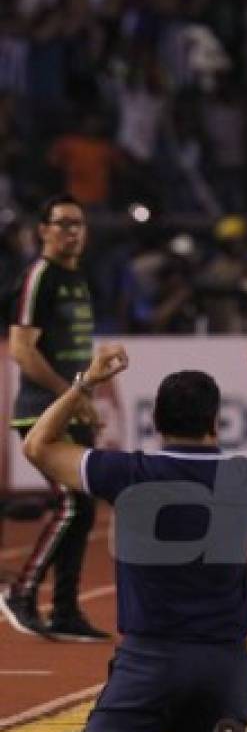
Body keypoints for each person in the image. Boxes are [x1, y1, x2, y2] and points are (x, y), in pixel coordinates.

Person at [20, 341, 247, 732]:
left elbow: (38, 445)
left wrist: (85, 383)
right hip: (224, 665)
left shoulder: (128, 471)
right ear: (216, 423)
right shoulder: (243, 477)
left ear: (157, 423)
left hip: (150, 662)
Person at [1, 194, 107, 641]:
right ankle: (21, 595)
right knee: (70, 503)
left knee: (83, 509)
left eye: (77, 224)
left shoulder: (77, 277)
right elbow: (22, 350)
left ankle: (64, 609)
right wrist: (73, 394)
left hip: (70, 408)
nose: (71, 231)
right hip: (42, 413)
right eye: (61, 224)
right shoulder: (40, 277)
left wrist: (85, 398)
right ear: (42, 230)